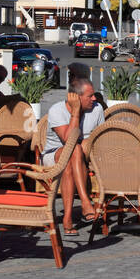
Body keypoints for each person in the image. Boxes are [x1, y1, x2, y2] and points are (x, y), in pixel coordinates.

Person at [42, 77, 103, 235]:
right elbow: (68, 140)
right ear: (75, 97)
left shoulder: (97, 109)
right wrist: (75, 113)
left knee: (73, 155)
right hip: (53, 153)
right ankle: (85, 201)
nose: (94, 98)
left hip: (83, 157)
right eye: (90, 96)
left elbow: (102, 138)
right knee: (74, 148)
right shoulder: (57, 110)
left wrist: (88, 142)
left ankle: (67, 219)